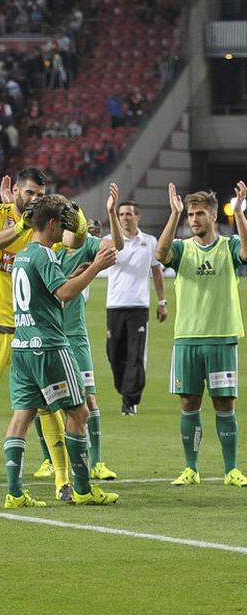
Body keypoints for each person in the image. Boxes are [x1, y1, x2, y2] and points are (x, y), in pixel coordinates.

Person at [0, 167, 87, 501]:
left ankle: (62, 481)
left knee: (47, 406)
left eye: (40, 196)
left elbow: (74, 240)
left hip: (31, 328)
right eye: (29, 193)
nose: (34, 200)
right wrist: (21, 225)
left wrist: (78, 222)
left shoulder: (44, 226)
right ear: (14, 192)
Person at [3, 194, 119, 508]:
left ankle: (14, 493)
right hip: (51, 347)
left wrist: (74, 274)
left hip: (23, 346)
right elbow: (64, 293)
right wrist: (94, 268)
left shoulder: (23, 255)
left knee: (21, 417)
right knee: (79, 412)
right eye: (61, 225)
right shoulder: (43, 254)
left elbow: (47, 293)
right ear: (51, 224)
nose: (63, 231)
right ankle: (83, 490)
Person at [156, 183, 247, 487]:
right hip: (187, 339)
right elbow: (161, 253)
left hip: (221, 337)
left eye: (199, 214)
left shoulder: (229, 245)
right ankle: (191, 468)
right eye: (190, 214)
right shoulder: (183, 248)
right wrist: (174, 214)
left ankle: (231, 469)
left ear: (212, 216)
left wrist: (239, 214)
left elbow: (246, 252)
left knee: (224, 404)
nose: (193, 219)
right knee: (188, 403)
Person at [31, 184, 124, 484]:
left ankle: (96, 462)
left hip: (75, 336)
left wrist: (111, 213)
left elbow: (116, 247)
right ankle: (49, 459)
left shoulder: (87, 246)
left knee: (89, 400)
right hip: (48, 334)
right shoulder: (48, 246)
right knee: (44, 403)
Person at [105, 199, 167, 415]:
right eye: (121, 214)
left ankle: (130, 400)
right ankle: (124, 389)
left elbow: (157, 272)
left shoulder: (149, 242)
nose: (124, 217)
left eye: (128, 214)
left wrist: (162, 302)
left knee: (136, 355)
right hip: (114, 305)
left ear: (137, 217)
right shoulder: (109, 241)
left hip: (139, 307)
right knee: (114, 354)